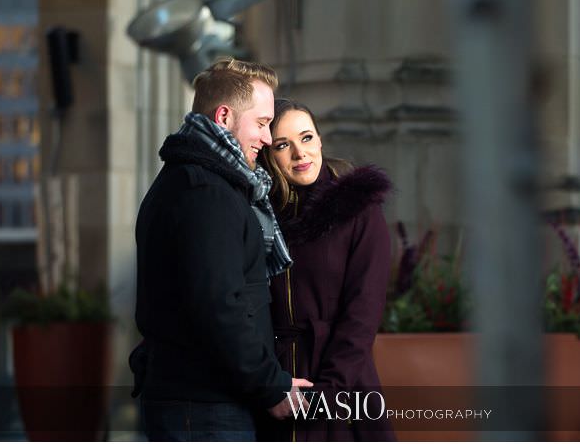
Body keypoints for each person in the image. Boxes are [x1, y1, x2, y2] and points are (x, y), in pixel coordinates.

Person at [132, 59, 311, 441]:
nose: (266, 139)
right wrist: (270, 385)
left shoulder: (195, 180)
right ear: (224, 116)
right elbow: (218, 307)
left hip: (200, 403)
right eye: (262, 123)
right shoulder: (206, 193)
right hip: (203, 410)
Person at [256, 98, 395, 441]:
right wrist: (265, 382)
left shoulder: (358, 210)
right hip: (274, 387)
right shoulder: (258, 214)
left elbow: (362, 314)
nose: (300, 154)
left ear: (320, 140)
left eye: (306, 138)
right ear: (268, 155)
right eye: (283, 145)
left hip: (342, 384)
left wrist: (329, 394)